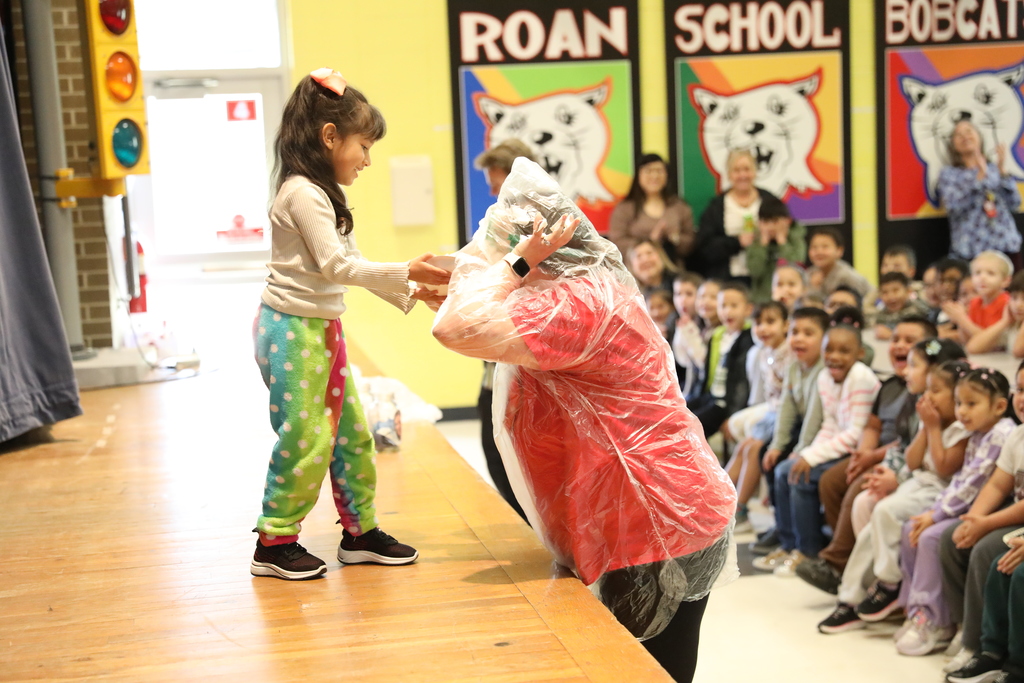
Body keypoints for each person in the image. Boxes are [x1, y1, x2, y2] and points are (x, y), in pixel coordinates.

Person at [431, 158, 736, 682]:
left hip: (657, 520)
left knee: (647, 673)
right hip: (640, 515)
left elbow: (456, 326)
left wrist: (513, 266)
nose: (491, 261)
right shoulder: (565, 292)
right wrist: (480, 268)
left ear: (541, 249)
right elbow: (470, 297)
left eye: (503, 250)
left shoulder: (576, 306)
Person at [250, 68, 449, 579]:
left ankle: (359, 533)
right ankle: (274, 541)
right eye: (363, 146)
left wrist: (414, 289)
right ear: (330, 136)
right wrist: (407, 270)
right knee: (308, 436)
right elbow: (338, 269)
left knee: (352, 435)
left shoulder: (326, 195)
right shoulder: (301, 193)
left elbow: (350, 266)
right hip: (292, 331)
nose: (367, 159)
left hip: (319, 329)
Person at [815, 357, 972, 634]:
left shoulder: (960, 430)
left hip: (940, 489)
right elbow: (912, 462)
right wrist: (926, 428)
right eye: (928, 389)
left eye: (936, 391)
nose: (928, 396)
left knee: (885, 511)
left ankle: (889, 582)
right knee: (868, 533)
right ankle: (849, 599)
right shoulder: (928, 422)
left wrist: (933, 428)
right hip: (917, 481)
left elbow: (945, 466)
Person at [796, 321, 946, 596]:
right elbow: (872, 426)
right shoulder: (890, 386)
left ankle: (838, 563)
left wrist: (873, 457)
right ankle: (845, 558)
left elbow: (907, 442)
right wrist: (862, 454)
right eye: (896, 338)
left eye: (909, 340)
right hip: (879, 452)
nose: (899, 344)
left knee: (859, 488)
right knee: (831, 480)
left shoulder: (927, 393)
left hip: (894, 459)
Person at [896, 368, 1016, 655]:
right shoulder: (979, 433)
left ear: (999, 406)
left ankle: (939, 619)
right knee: (911, 529)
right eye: (959, 403)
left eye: (971, 404)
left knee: (932, 537)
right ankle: (920, 612)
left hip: (991, 510)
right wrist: (934, 512)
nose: (962, 411)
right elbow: (963, 483)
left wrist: (936, 516)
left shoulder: (1001, 434)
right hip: (972, 507)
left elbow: (974, 486)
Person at [755, 308, 881, 576]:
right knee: (783, 470)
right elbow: (830, 424)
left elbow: (856, 432)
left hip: (857, 448)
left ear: (859, 354)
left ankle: (808, 550)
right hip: (836, 443)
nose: (834, 357)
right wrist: (807, 452)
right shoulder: (826, 376)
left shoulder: (859, 376)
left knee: (802, 474)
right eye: (830, 351)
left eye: (843, 351)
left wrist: (810, 457)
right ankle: (790, 545)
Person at [940, 361, 1024, 675]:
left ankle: (996, 653)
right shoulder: (1018, 435)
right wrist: (973, 519)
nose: (1022, 398)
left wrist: (986, 524)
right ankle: (969, 635)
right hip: (1016, 519)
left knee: (991, 552)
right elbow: (998, 483)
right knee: (953, 537)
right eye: (1020, 389)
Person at [472, 139, 538, 522]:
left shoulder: (542, 225)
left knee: (515, 454)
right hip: (495, 357)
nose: (494, 194)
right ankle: (526, 525)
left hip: (525, 356)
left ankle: (535, 528)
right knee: (492, 444)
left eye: (498, 186)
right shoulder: (502, 221)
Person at [750, 307, 830, 557]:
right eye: (795, 332)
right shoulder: (795, 367)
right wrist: (777, 445)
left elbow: (816, 417)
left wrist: (800, 450)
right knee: (768, 453)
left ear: (825, 338)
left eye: (809, 333)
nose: (799, 338)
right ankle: (784, 533)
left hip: (821, 432)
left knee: (788, 467)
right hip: (803, 427)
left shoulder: (822, 369)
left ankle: (801, 542)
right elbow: (786, 408)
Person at [725, 301, 791, 532]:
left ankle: (740, 511)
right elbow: (762, 395)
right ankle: (718, 500)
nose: (763, 329)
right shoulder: (763, 353)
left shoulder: (791, 351)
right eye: (758, 323)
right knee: (745, 445)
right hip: (772, 412)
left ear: (786, 325)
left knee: (753, 449)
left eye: (770, 322)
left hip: (785, 415)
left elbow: (787, 398)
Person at [937, 120, 1023, 267]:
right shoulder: (949, 174)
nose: (965, 136)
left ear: (980, 137)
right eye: (958, 134)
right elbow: (953, 207)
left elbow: (1014, 203)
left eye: (969, 131)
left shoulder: (994, 169)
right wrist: (978, 180)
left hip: (1005, 246)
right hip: (970, 249)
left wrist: (1002, 172)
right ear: (953, 145)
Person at [693, 149, 781, 282]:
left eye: (747, 169)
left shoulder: (770, 201)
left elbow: (787, 236)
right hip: (727, 279)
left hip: (765, 278)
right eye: (737, 170)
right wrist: (737, 242)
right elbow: (705, 248)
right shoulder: (716, 207)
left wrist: (771, 237)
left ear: (755, 171)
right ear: (729, 174)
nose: (743, 175)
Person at [688, 282, 756, 440]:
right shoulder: (717, 335)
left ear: (748, 309)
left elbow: (742, 382)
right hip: (710, 397)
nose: (728, 311)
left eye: (734, 306)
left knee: (690, 426)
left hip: (725, 404)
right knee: (675, 412)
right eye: (723, 306)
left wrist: (733, 414)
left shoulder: (749, 338)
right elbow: (706, 375)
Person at [608, 153, 695, 267]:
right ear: (638, 175)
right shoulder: (625, 209)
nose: (654, 176)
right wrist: (650, 242)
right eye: (648, 171)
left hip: (673, 270)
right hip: (636, 271)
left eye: (659, 171)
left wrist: (674, 238)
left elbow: (691, 242)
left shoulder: (679, 206)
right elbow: (616, 243)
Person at [746, 196, 807, 303]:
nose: (770, 227)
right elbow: (754, 271)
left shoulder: (796, 239)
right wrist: (762, 245)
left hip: (791, 299)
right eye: (765, 221)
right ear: (759, 223)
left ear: (787, 221)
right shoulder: (756, 242)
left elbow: (795, 268)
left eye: (775, 221)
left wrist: (782, 242)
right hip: (761, 299)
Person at [807, 227, 872, 300]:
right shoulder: (809, 274)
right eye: (814, 247)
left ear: (839, 250)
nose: (819, 252)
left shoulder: (847, 276)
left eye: (825, 247)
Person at [874, 272, 930, 340]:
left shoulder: (919, 312)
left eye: (896, 290)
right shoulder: (880, 316)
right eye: (885, 292)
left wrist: (893, 335)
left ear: (908, 291)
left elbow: (929, 342)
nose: (891, 297)